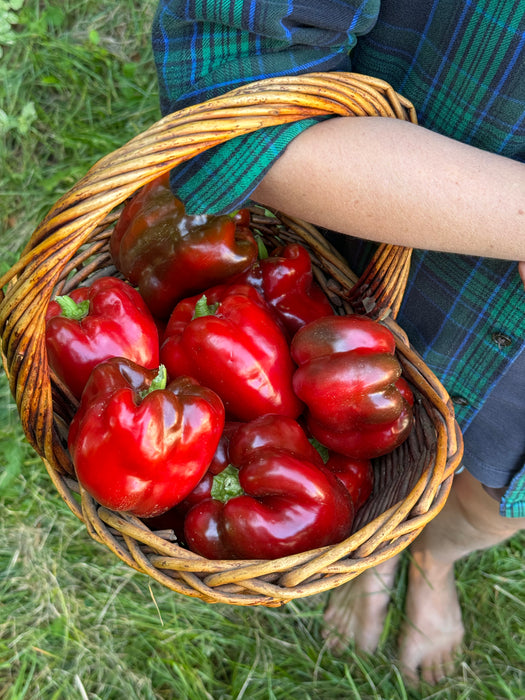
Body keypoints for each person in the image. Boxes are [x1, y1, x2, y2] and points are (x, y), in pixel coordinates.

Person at [151, 0, 525, 684]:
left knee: (503, 491)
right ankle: (377, 545)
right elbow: (238, 88)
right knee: (369, 453)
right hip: (368, 230)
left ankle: (428, 558)